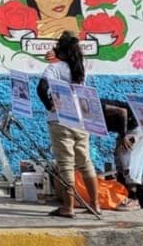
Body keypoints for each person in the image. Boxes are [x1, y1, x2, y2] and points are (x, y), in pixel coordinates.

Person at [36, 31, 99, 218]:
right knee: (85, 161)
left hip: (60, 120)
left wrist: (49, 105)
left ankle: (68, 206)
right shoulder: (81, 68)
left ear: (59, 50)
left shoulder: (54, 68)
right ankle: (95, 203)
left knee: (66, 164)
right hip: (81, 120)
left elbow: (41, 88)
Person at [100, 98, 143, 188]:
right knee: (119, 159)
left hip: (136, 126)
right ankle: (124, 190)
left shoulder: (99, 107)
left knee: (127, 162)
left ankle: (134, 197)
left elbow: (122, 112)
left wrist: (123, 136)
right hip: (128, 128)